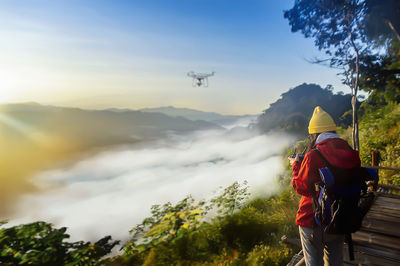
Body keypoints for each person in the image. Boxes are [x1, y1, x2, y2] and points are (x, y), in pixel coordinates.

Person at [288, 106, 361, 266]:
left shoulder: (314, 155)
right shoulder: (350, 151)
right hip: (340, 217)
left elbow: (301, 188)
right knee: (335, 262)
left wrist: (295, 166)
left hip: (313, 219)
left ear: (314, 134)